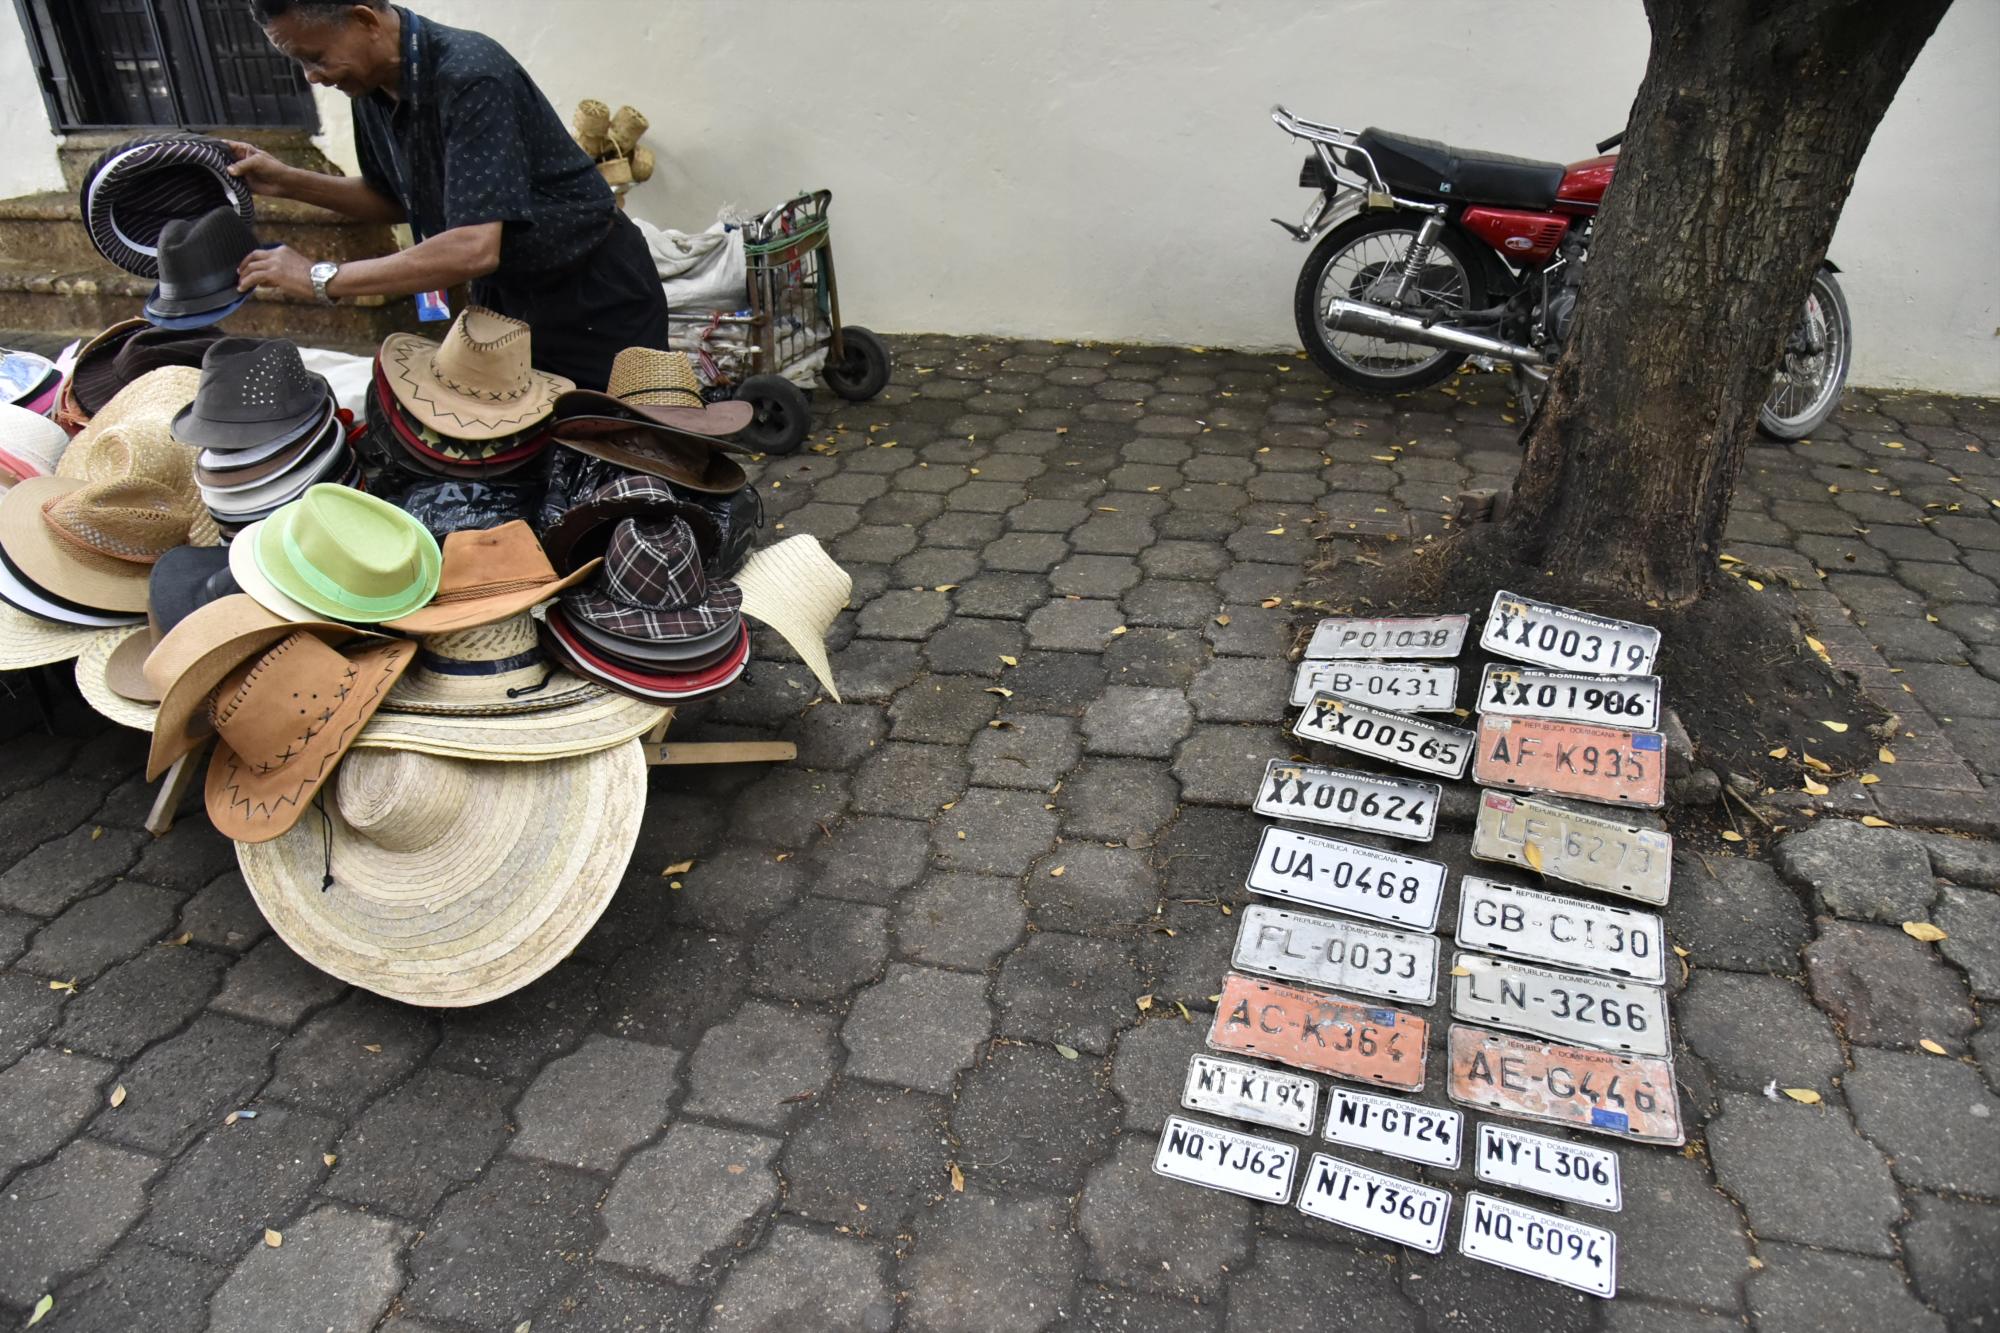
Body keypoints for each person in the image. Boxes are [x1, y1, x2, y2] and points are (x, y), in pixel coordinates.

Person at [231, 0, 668, 390]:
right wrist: (287, 181)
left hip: (592, 292)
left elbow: (474, 249)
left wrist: (320, 278)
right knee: (532, 446)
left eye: (315, 58)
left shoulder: (471, 74)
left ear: (364, 19)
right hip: (511, 298)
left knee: (618, 444)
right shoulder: (369, 87)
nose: (313, 77)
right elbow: (394, 199)